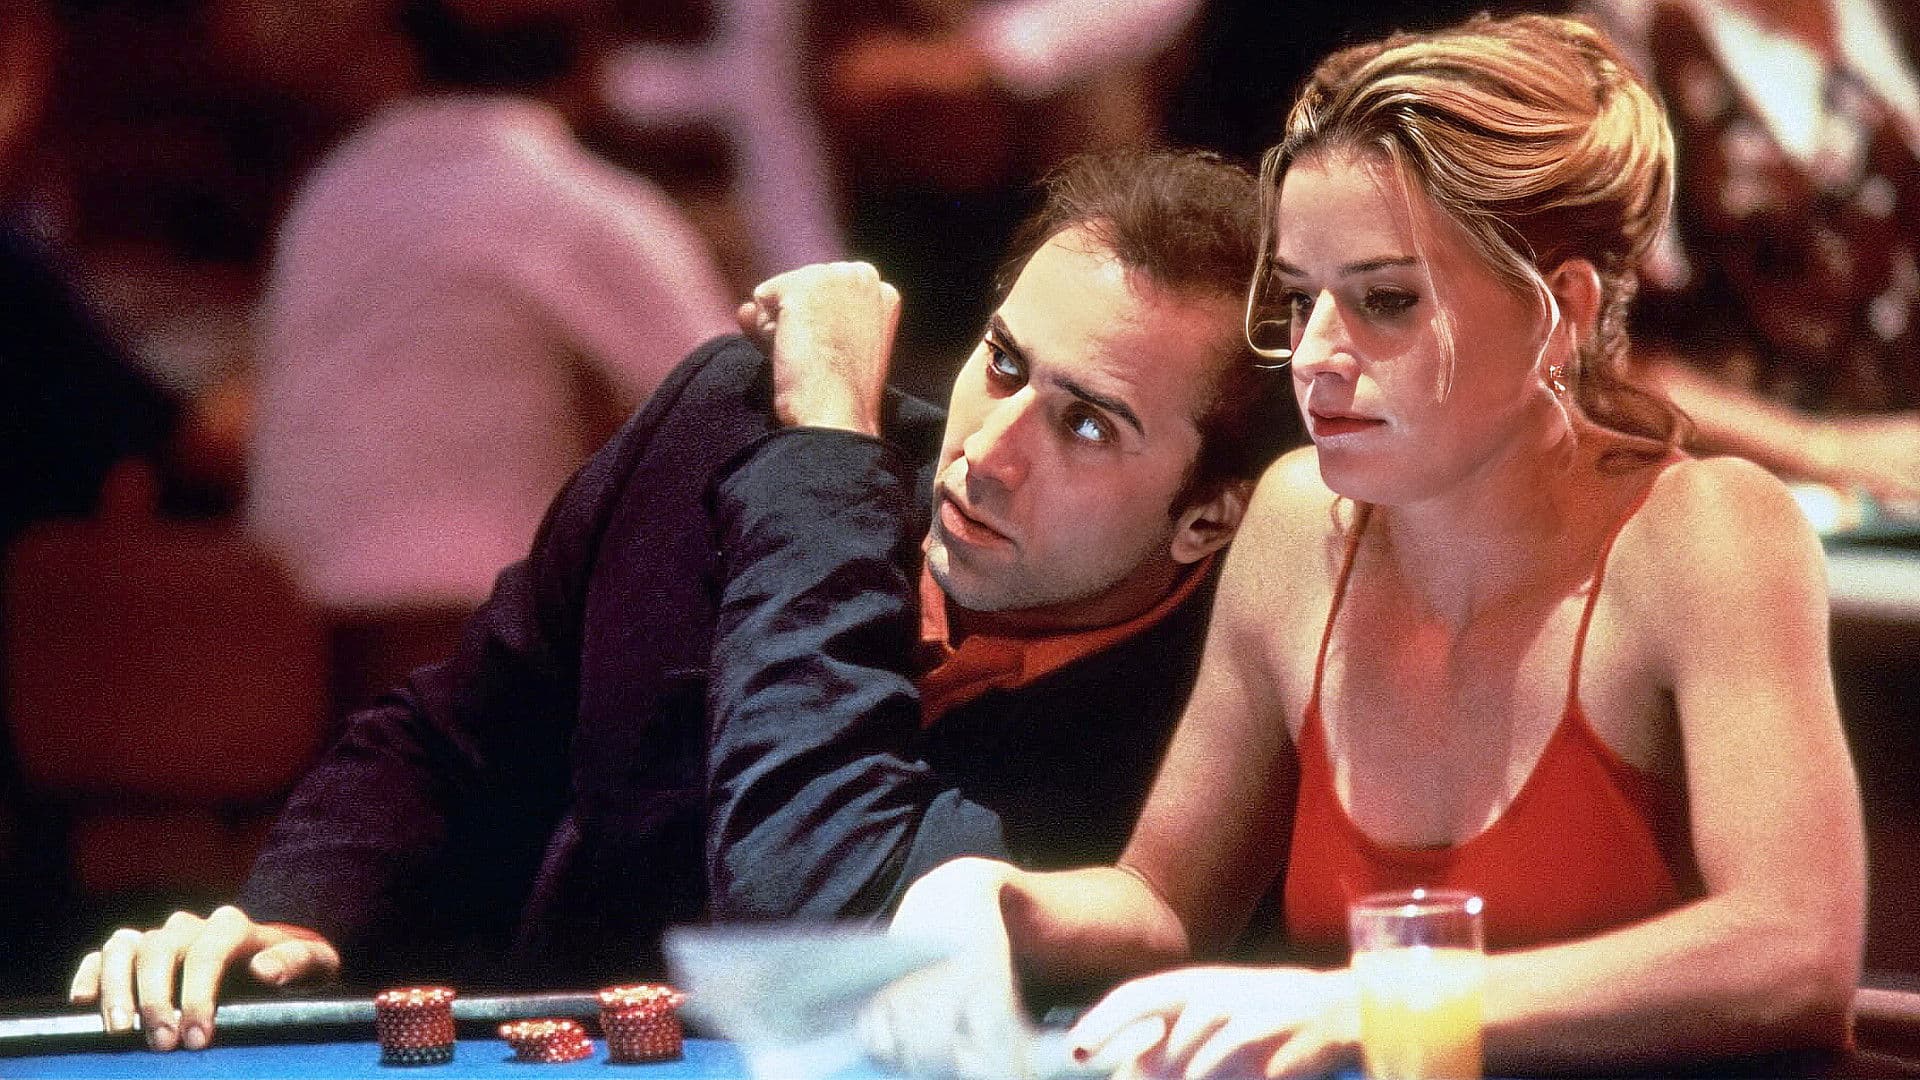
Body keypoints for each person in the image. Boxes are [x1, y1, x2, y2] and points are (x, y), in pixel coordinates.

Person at [66, 149, 1299, 1053]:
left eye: (1087, 426)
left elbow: (815, 903)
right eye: (1005, 363)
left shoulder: (1208, 718)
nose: (990, 448)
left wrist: (828, 450)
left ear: (1208, 518)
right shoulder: (731, 418)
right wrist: (291, 925)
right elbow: (458, 733)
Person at [879, 14, 1864, 1078]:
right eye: (1302, 299)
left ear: (1564, 312)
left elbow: (1793, 953)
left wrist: (1373, 1004)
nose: (1313, 355)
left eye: (1385, 302)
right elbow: (1164, 902)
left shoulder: (1707, 533)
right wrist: (990, 898)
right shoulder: (1296, 522)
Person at [246, 0, 733, 715]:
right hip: (459, 633)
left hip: (284, 633)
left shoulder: (333, 190)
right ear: (589, 68)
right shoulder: (564, 197)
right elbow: (735, 407)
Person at [1587, 0, 1920, 503]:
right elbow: (1597, 357)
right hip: (1731, 502)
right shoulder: (1628, 45)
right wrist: (1820, 448)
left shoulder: (1891, 22)